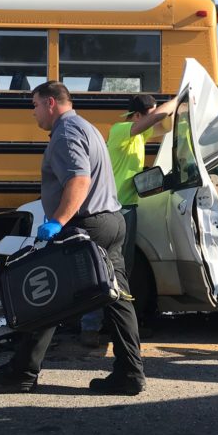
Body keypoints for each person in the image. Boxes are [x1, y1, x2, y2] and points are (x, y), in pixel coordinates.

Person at [0, 81, 146, 395]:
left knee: (46, 295)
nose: (34, 113)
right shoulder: (87, 128)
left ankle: (22, 372)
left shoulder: (66, 133)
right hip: (110, 221)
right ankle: (130, 373)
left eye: (35, 105)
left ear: (51, 103)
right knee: (118, 300)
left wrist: (57, 222)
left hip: (85, 227)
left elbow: (79, 180)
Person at [79, 93, 176, 347]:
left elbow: (165, 124)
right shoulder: (122, 129)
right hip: (111, 210)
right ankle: (90, 326)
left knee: (122, 271)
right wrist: (178, 100)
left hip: (127, 208)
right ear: (137, 116)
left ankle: (114, 325)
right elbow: (158, 117)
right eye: (149, 114)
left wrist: (180, 109)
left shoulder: (140, 134)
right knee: (101, 267)